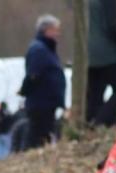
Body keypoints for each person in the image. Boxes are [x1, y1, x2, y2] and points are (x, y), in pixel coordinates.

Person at [23, 14, 66, 149]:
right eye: (55, 30)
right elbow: (33, 75)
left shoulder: (47, 50)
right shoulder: (39, 50)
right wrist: (26, 90)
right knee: (37, 137)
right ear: (46, 30)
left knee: (44, 136)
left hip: (47, 103)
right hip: (40, 103)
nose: (58, 34)